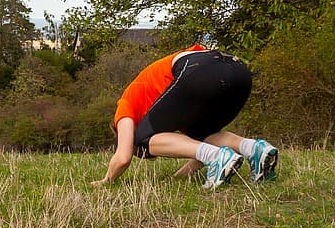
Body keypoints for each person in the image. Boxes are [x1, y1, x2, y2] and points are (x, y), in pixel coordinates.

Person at [94, 46, 279, 189]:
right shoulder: (173, 108)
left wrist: (106, 181)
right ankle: (255, 149)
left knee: (144, 140)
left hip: (200, 70)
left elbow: (123, 157)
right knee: (203, 135)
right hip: (239, 72)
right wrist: (179, 177)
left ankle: (219, 157)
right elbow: (200, 149)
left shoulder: (126, 105)